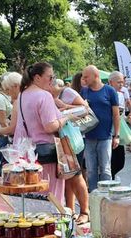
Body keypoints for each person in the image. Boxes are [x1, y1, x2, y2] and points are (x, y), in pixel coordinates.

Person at [14, 62, 71, 201]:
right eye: (50, 77)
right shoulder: (44, 95)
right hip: (44, 154)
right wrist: (66, 118)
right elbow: (50, 126)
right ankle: (53, 222)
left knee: (32, 197)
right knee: (51, 196)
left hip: (25, 154)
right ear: (37, 77)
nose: (52, 81)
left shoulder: (23, 95)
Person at [50, 79, 90, 225]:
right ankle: (70, 210)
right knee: (66, 177)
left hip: (70, 140)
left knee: (75, 176)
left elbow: (85, 109)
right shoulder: (47, 96)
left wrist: (64, 108)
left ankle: (85, 211)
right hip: (58, 141)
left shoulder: (66, 92)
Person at [81, 65, 120, 192]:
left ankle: (106, 195)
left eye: (86, 76)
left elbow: (116, 114)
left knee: (105, 168)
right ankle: (93, 196)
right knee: (91, 169)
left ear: (95, 76)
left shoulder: (109, 91)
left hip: (105, 137)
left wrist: (116, 135)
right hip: (89, 137)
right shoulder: (84, 91)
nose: (84, 79)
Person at [0, 72, 19, 148]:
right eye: (7, 89)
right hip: (5, 137)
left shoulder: (7, 97)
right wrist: (11, 135)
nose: (8, 92)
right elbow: (3, 122)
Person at [108, 71, 127, 180]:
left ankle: (112, 177)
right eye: (118, 82)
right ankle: (109, 180)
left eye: (122, 82)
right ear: (111, 82)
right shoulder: (105, 93)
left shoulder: (121, 94)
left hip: (119, 130)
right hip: (108, 132)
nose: (121, 84)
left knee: (120, 162)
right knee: (112, 160)